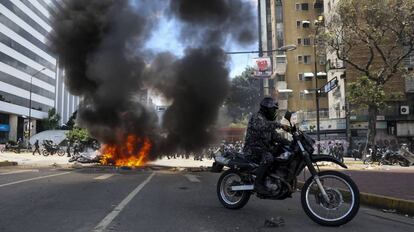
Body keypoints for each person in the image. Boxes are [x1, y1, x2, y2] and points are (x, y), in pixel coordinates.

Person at [243, 97, 290, 195]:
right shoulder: (257, 117)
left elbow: (276, 137)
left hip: (263, 149)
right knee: (268, 158)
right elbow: (263, 126)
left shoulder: (267, 121)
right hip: (252, 149)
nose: (274, 111)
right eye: (273, 109)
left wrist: (290, 142)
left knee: (280, 154)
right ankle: (258, 183)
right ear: (266, 108)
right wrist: (280, 125)